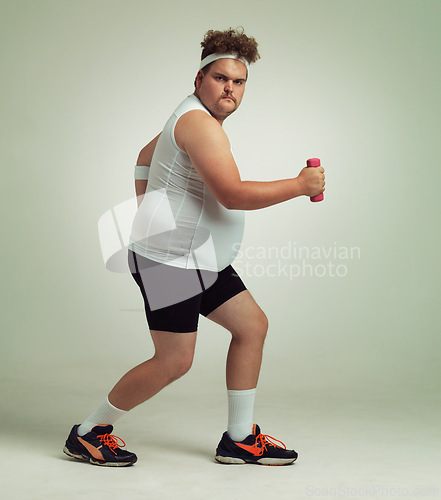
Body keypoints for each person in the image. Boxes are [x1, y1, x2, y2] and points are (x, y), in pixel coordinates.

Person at [63, 27, 325, 467]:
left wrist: (149, 206)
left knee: (251, 327)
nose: (230, 89)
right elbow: (233, 194)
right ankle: (88, 433)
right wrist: (300, 185)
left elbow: (147, 154)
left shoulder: (184, 117)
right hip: (171, 262)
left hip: (198, 256)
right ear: (199, 79)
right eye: (220, 78)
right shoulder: (201, 127)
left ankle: (239, 439)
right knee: (174, 361)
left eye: (238, 82)